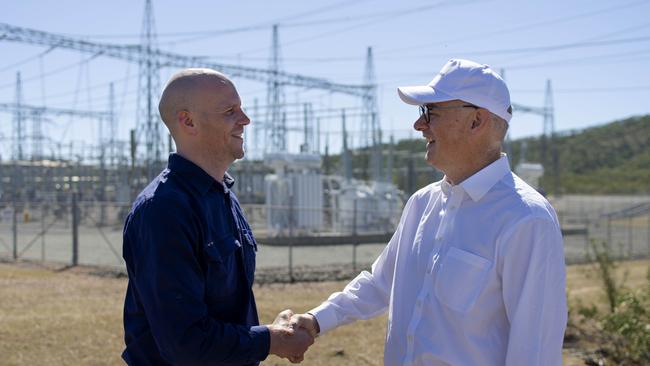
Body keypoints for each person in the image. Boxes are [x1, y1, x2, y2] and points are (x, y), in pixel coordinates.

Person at [291, 59, 567, 365]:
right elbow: (380, 283)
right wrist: (316, 321)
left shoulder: (526, 218)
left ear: (476, 121)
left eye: (430, 113)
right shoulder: (422, 203)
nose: (419, 125)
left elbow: (535, 351)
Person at [121, 68, 313, 365]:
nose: (245, 119)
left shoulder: (223, 196)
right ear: (188, 121)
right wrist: (272, 340)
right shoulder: (163, 210)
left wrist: (266, 333)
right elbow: (184, 342)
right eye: (230, 111)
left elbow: (225, 311)